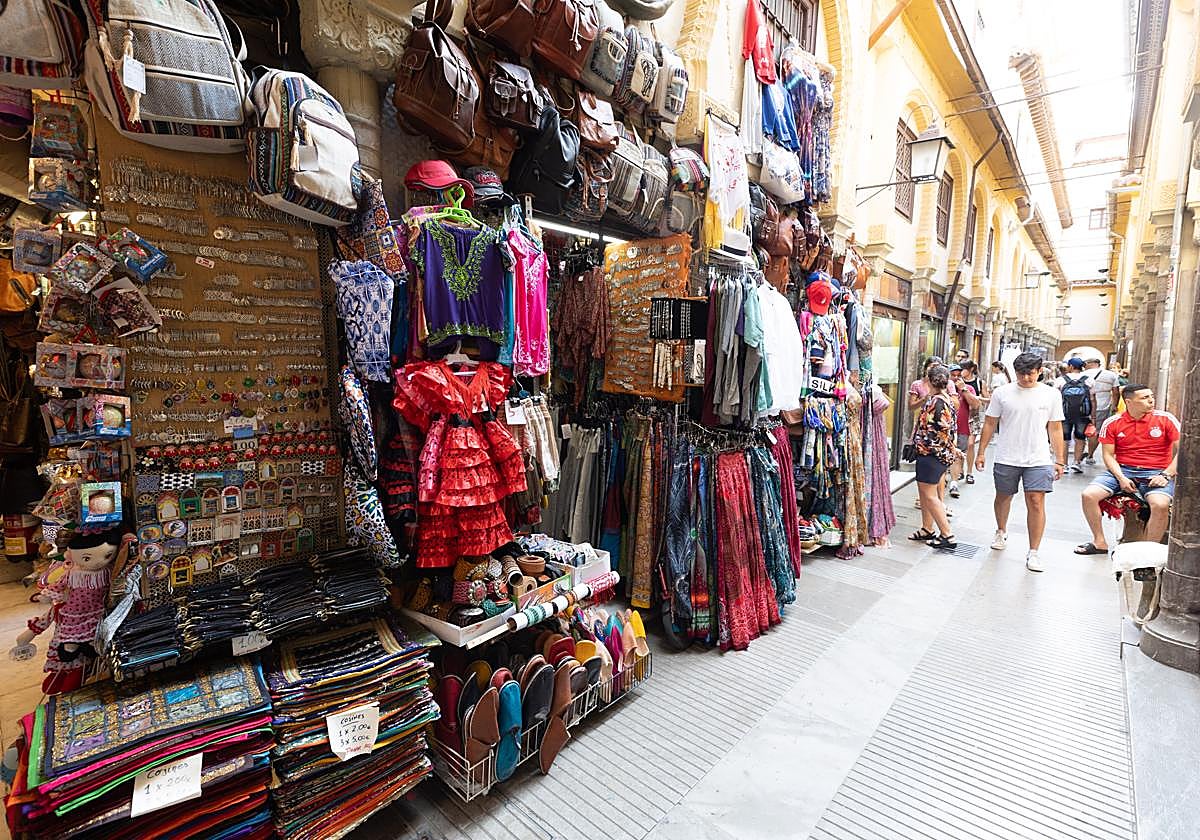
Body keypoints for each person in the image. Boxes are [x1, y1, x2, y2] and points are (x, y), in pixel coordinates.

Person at [975, 352, 1066, 572]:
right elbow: (989, 423)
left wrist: (1060, 459)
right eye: (1022, 374)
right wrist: (981, 452)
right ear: (1015, 372)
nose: (1026, 378)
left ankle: (1033, 551)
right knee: (1004, 496)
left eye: (1031, 373)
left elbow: (1055, 427)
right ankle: (1001, 530)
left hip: (1038, 457)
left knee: (1036, 501)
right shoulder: (1002, 393)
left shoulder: (1051, 394)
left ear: (1040, 372)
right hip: (1007, 455)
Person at [1075, 384, 1179, 554]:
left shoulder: (1165, 419)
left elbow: (1183, 451)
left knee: (1160, 505)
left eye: (1151, 396)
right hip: (1123, 469)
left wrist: (1166, 474)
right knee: (1089, 495)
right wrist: (1121, 477)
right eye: (1144, 398)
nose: (1151, 400)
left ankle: (1147, 553)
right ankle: (1099, 542)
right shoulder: (1113, 422)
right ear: (1129, 402)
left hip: (1157, 471)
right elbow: (1108, 455)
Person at [908, 365, 959, 549]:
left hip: (931, 455)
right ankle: (927, 529)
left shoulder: (936, 402)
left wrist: (923, 448)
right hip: (937, 454)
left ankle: (947, 534)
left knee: (929, 495)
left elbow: (935, 432)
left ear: (928, 380)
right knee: (925, 493)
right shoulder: (945, 400)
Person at [1053, 357, 1093, 473]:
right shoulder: (1089, 380)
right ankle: (1076, 463)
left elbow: (1055, 398)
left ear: (1070, 366)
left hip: (1064, 413)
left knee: (1064, 438)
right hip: (1082, 413)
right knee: (1080, 438)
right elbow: (1092, 398)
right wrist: (1093, 415)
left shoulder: (1061, 380)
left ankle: (1064, 464)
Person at [947, 364, 981, 496]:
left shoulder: (969, 388)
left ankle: (954, 482)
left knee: (958, 453)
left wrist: (964, 390)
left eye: (958, 375)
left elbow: (976, 404)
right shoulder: (944, 388)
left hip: (962, 427)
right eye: (953, 375)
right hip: (946, 427)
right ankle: (948, 480)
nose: (955, 378)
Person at [1083, 357, 1121, 464]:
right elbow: (1116, 392)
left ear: (1090, 363)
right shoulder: (1111, 375)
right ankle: (1090, 455)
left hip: (1083, 406)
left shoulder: (1083, 374)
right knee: (1096, 431)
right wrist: (1114, 405)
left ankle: (1078, 456)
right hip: (1102, 406)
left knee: (1081, 430)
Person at [959, 360, 986, 484]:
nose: (960, 372)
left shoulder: (979, 383)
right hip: (960, 416)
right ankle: (959, 470)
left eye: (962, 369)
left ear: (970, 369)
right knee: (960, 445)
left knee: (970, 444)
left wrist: (978, 398)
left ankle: (969, 472)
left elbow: (986, 399)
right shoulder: (957, 382)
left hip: (973, 417)